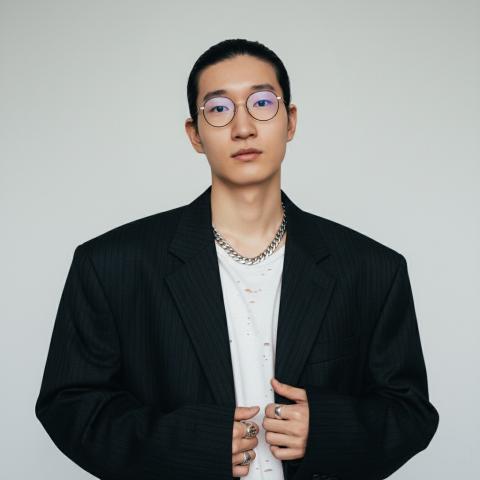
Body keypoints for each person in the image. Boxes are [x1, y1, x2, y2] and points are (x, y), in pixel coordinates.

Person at [35, 38, 439, 480]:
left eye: (262, 103)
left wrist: (327, 431)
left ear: (290, 121)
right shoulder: (110, 265)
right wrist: (189, 445)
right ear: (195, 134)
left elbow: (410, 413)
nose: (243, 127)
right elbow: (69, 406)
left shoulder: (371, 268)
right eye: (219, 109)